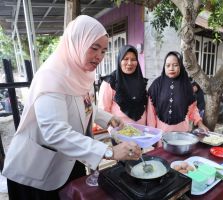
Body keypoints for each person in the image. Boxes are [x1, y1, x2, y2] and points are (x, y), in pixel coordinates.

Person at [2, 15, 142, 200]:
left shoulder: (80, 73)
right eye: (94, 48)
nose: (99, 56)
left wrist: (106, 117)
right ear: (77, 43)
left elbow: (83, 104)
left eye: (103, 50)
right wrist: (109, 151)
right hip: (36, 169)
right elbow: (55, 131)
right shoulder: (51, 76)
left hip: (69, 160)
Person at [147, 51, 208, 134]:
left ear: (180, 66)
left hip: (182, 134)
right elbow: (151, 111)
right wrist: (151, 133)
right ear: (164, 67)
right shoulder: (157, 85)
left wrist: (200, 124)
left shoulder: (186, 85)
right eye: (168, 65)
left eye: (175, 65)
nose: (171, 68)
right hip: (161, 135)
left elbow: (193, 109)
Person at [98, 44, 148, 125]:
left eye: (133, 59)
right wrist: (113, 129)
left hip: (142, 133)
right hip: (119, 131)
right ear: (119, 60)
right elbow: (103, 110)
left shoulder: (141, 81)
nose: (129, 63)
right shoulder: (110, 82)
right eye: (125, 59)